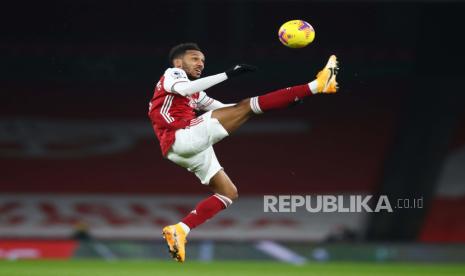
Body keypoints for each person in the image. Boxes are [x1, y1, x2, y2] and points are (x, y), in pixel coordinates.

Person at [148, 42, 338, 262]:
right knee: (247, 107)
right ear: (179, 62)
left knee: (228, 193)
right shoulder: (172, 74)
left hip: (180, 149)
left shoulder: (195, 94)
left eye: (202, 60)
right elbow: (185, 89)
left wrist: (285, 100)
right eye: (194, 58)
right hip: (181, 135)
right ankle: (318, 85)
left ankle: (180, 229)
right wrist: (228, 75)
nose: (200, 63)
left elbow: (227, 108)